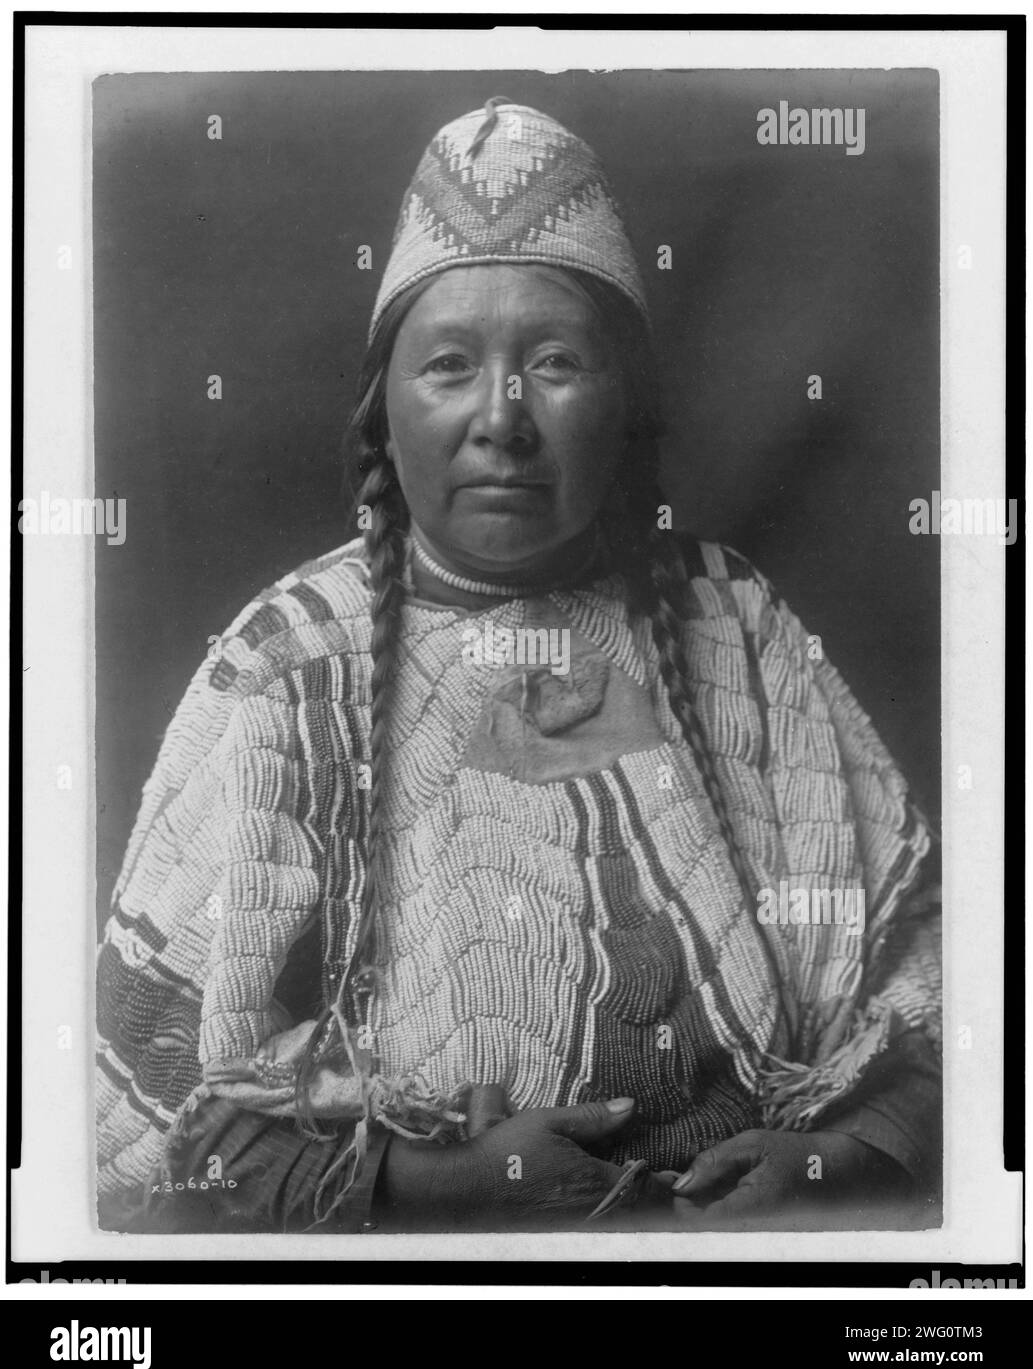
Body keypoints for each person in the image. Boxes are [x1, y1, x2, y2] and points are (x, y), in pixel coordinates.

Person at [96, 99, 941, 1236]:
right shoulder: (288, 665)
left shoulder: (728, 617)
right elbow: (151, 1126)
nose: (503, 419)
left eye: (553, 362)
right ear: (383, 415)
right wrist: (434, 1181)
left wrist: (838, 1157)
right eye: (449, 364)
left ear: (624, 404)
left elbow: (941, 989)